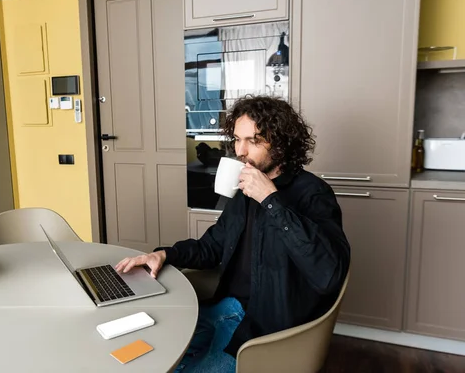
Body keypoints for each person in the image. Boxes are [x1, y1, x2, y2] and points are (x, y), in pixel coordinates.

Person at [115, 95, 351, 373]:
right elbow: (213, 245)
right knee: (150, 354)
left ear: (282, 142)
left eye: (254, 140)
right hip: (224, 307)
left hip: (262, 326)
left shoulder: (313, 193)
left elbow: (329, 273)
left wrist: (270, 199)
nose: (241, 150)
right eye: (237, 139)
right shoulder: (244, 190)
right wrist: (165, 254)